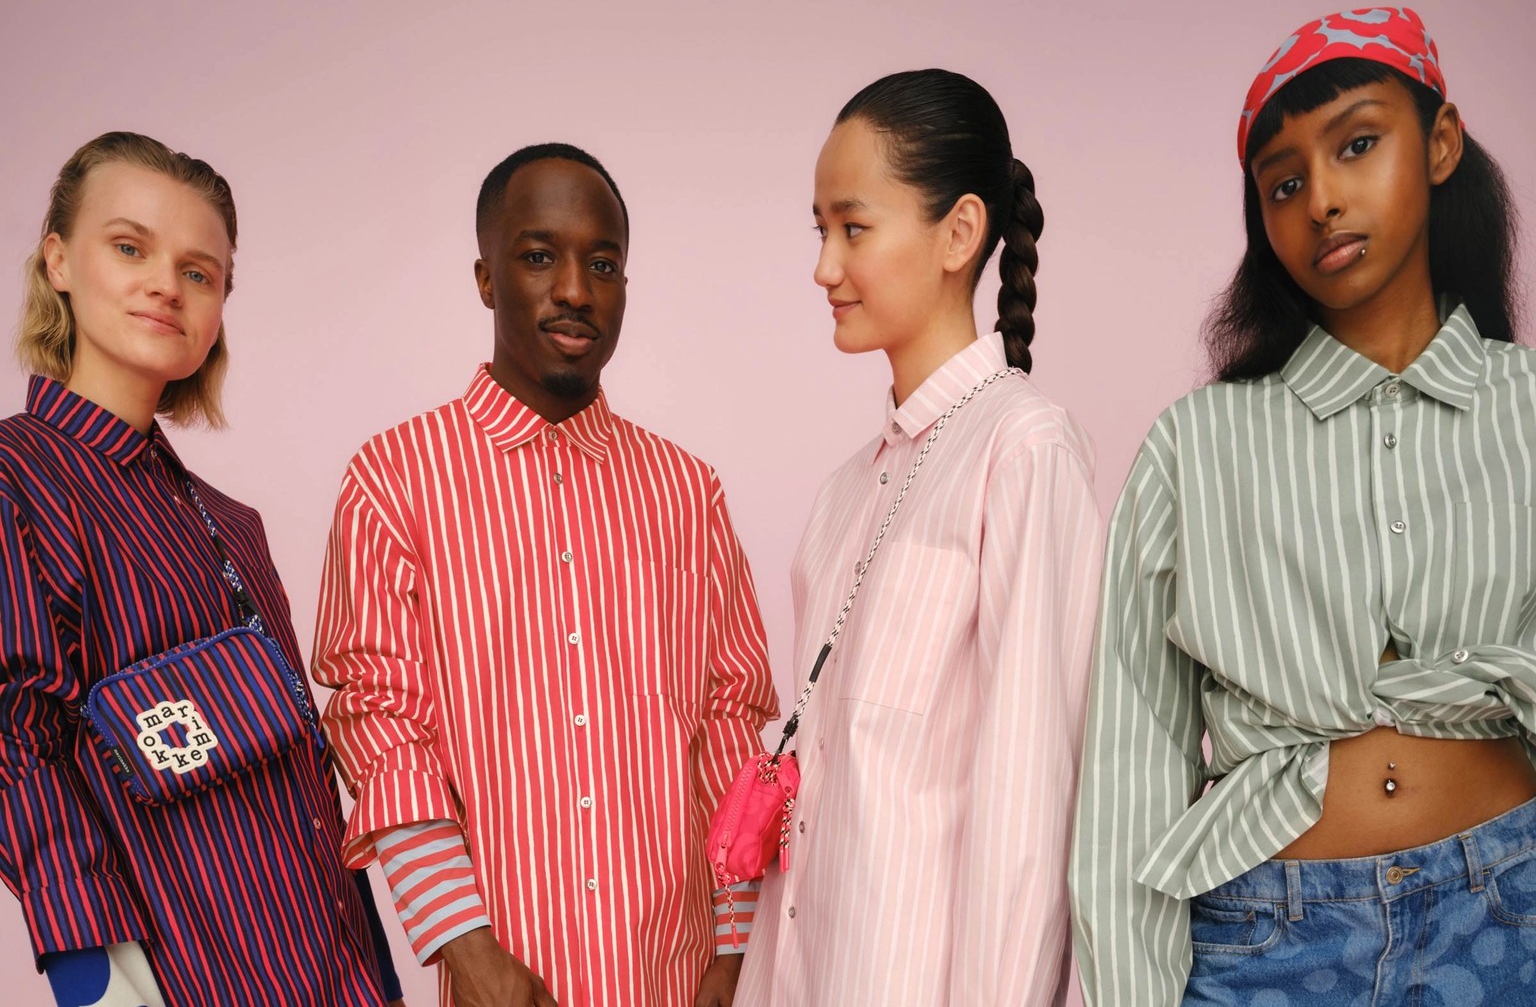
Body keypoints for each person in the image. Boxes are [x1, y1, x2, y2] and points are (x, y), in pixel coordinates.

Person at [1071, 7, 1536, 1005]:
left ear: (1441, 142)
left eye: (1358, 144)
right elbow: (1129, 766)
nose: (1322, 199)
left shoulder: (1530, 410)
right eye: (1284, 184)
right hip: (1267, 937)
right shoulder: (1194, 448)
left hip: (1510, 911)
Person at [311, 142, 779, 1007]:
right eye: (538, 257)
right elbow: (381, 729)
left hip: (678, 984)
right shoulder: (395, 479)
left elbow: (727, 726)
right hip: (503, 983)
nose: (574, 289)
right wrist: (471, 954)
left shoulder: (686, 491)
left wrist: (732, 950)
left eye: (603, 264)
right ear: (486, 278)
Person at [0, 131, 402, 1007]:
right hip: (179, 977)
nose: (165, 285)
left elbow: (306, 786)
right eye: (131, 247)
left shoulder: (233, 525)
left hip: (334, 973)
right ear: (59, 259)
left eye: (199, 271)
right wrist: (89, 973)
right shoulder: (16, 477)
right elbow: (13, 736)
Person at [734, 69, 1102, 1006]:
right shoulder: (840, 496)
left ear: (960, 233)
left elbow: (1027, 813)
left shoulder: (1023, 450)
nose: (824, 266)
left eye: (853, 228)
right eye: (819, 230)